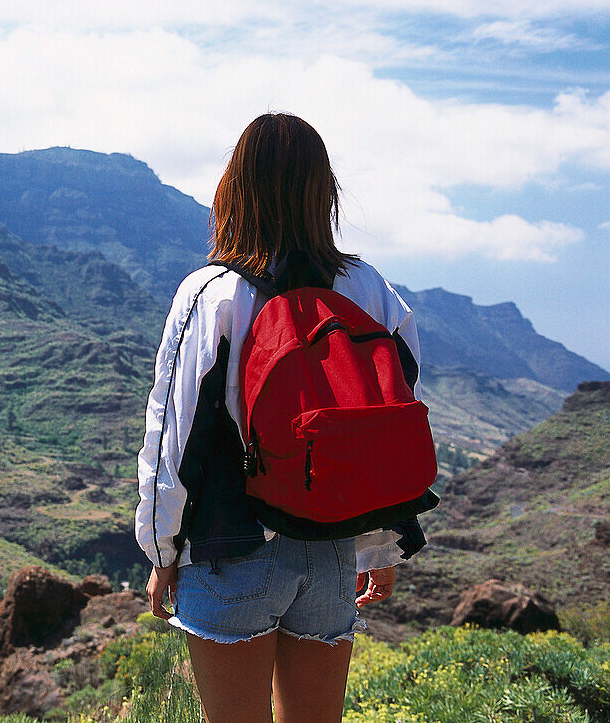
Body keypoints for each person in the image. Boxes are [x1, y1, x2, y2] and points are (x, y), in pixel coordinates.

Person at [134, 113, 431, 723]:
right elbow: (386, 426)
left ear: (233, 190)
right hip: (328, 554)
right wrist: (382, 550)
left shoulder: (210, 293)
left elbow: (173, 437)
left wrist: (162, 552)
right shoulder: (371, 291)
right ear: (325, 193)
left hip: (228, 551)